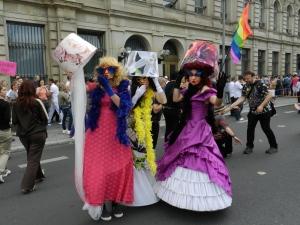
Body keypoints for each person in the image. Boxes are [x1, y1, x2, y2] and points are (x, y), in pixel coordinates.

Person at [155, 40, 232, 211]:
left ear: (203, 76)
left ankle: (202, 199)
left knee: (201, 159)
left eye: (197, 74)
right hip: (186, 128)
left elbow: (217, 103)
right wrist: (177, 80)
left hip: (201, 130)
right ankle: (179, 196)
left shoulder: (206, 91)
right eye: (190, 74)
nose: (193, 77)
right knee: (180, 158)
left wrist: (220, 89)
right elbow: (175, 99)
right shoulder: (188, 89)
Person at [82, 57, 133, 221]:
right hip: (97, 133)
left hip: (116, 132)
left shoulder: (123, 87)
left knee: (119, 166)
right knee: (100, 169)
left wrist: (109, 90)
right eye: (102, 69)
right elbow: (77, 88)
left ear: (116, 71)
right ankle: (104, 204)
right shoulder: (95, 87)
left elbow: (123, 106)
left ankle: (116, 202)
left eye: (110, 69)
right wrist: (74, 73)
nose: (106, 72)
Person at [126, 51, 167, 207]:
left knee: (148, 156)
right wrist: (136, 95)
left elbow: (164, 100)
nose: (143, 81)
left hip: (149, 126)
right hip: (132, 127)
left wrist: (156, 83)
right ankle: (136, 192)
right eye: (139, 78)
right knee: (136, 158)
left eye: (145, 78)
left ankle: (148, 189)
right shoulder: (130, 88)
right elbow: (126, 110)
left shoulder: (151, 90)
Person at [226, 71, 278, 154]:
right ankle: (249, 147)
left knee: (266, 128)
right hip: (253, 111)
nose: (246, 80)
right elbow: (242, 97)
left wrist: (261, 106)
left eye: (248, 78)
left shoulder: (260, 84)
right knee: (250, 129)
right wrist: (231, 106)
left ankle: (274, 146)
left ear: (253, 77)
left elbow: (269, 95)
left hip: (264, 111)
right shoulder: (246, 86)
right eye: (245, 79)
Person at [12, 80, 48, 194]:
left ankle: (38, 175)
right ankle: (27, 185)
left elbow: (15, 121)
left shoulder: (16, 103)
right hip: (37, 133)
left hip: (23, 135)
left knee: (31, 155)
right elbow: (46, 118)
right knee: (33, 158)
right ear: (32, 89)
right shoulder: (37, 101)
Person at [162, 72, 183, 141]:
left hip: (166, 109)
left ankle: (166, 142)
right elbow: (176, 99)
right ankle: (172, 145)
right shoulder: (177, 85)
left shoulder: (167, 84)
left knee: (168, 127)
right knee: (174, 128)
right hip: (174, 110)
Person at [0, 84, 12, 183]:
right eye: (4, 90)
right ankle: (0, 172)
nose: (5, 91)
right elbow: (7, 119)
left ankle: (5, 169)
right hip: (4, 130)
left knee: (1, 151)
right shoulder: (5, 104)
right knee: (5, 152)